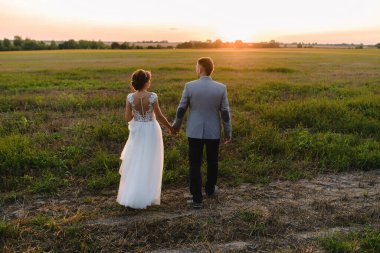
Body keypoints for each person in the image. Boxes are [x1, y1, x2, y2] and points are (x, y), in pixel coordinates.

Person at [173, 57, 232, 209]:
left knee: (195, 163)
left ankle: (197, 198)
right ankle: (210, 190)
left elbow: (181, 109)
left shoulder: (189, 86)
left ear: (200, 69)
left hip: (194, 131)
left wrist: (176, 127)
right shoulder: (221, 88)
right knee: (213, 161)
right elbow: (225, 113)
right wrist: (228, 132)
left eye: (196, 66)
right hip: (213, 132)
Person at [117, 69, 175, 209]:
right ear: (146, 82)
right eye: (149, 79)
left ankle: (132, 194)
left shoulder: (130, 97)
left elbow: (127, 118)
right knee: (150, 161)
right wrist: (170, 127)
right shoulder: (152, 96)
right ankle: (147, 195)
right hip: (151, 130)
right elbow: (159, 116)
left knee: (136, 161)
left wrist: (136, 113)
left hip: (138, 130)